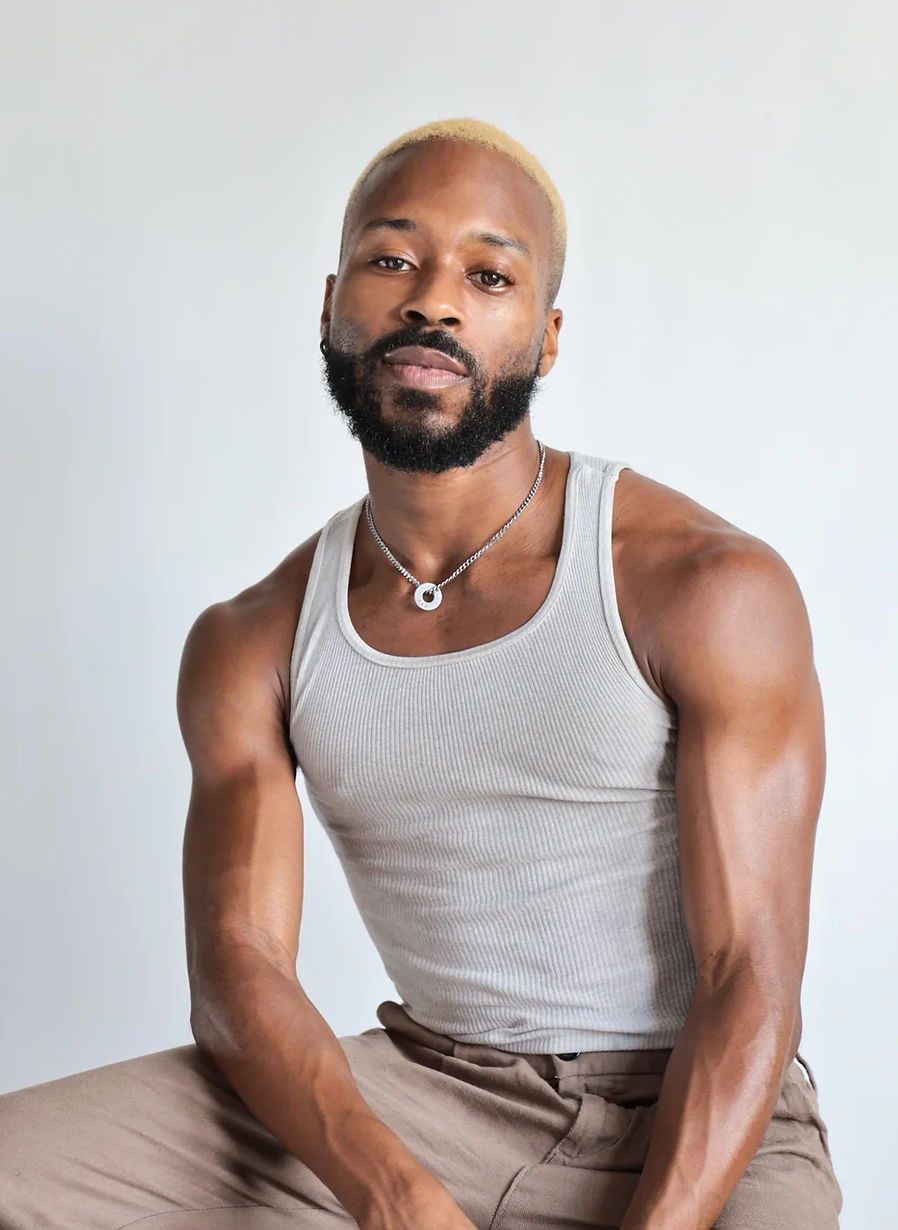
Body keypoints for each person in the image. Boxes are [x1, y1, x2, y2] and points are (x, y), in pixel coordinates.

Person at [0, 118, 841, 1230]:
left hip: (704, 1117)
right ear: (331, 306)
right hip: (428, 1095)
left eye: (488, 276)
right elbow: (240, 968)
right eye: (393, 259)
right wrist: (392, 1196)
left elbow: (749, 978)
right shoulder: (254, 639)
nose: (433, 301)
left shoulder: (703, 584)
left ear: (546, 338)